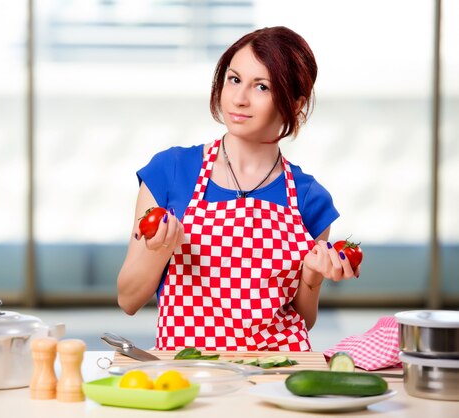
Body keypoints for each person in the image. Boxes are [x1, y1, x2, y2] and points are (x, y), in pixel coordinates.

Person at [116, 26, 360, 351]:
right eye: (234, 80)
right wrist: (159, 249)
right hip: (191, 373)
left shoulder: (309, 197)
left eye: (261, 87)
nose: (240, 98)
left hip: (275, 373)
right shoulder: (171, 171)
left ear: (296, 103)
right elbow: (128, 300)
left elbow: (303, 318)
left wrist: (312, 277)